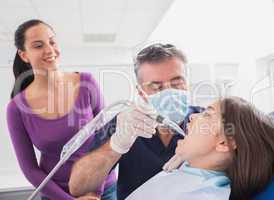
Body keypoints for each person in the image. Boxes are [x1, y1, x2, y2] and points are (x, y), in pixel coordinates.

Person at [69, 43, 204, 199]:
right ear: (141, 92)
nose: (169, 92)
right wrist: (116, 144)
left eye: (176, 83)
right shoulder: (126, 122)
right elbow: (77, 187)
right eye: (156, 87)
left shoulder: (207, 121)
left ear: (187, 82)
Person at [6, 19, 116, 200]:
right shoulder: (16, 109)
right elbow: (30, 169)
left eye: (52, 41)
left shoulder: (86, 83)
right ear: (24, 55)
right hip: (56, 194)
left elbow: (107, 141)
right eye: (38, 45)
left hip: (103, 190)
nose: (49, 50)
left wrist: (94, 192)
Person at [126, 97, 274, 200]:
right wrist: (188, 163)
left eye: (207, 114)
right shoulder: (193, 168)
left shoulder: (203, 196)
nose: (192, 116)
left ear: (224, 143)